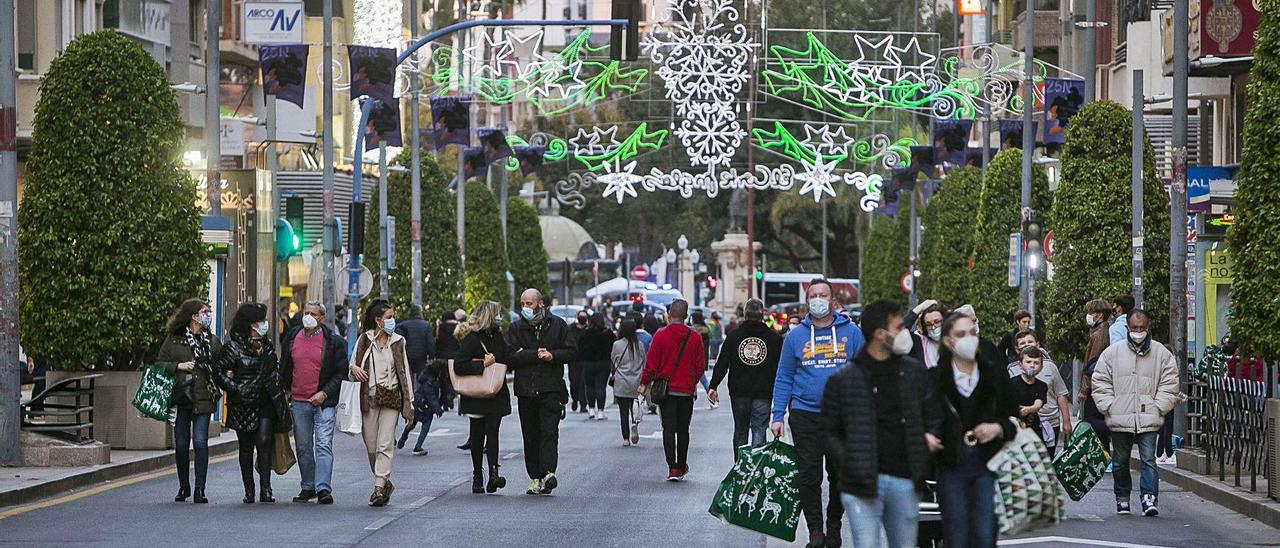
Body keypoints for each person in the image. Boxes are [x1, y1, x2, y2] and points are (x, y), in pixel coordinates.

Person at [822, 300, 942, 548]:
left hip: (905, 478)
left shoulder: (913, 373)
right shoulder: (845, 379)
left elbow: (933, 413)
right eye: (898, 328)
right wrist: (848, 462)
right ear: (879, 335)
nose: (904, 333)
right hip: (861, 483)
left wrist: (928, 437)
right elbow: (830, 430)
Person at [771, 278, 864, 548]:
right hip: (805, 415)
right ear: (807, 300)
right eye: (814, 295)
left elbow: (864, 371)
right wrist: (777, 415)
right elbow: (784, 376)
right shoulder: (795, 336)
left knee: (839, 474)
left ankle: (834, 525)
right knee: (809, 475)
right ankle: (814, 529)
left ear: (833, 301)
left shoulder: (852, 333)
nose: (819, 299)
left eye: (824, 294)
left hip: (842, 416)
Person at [933, 310, 1016, 548]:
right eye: (960, 334)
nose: (968, 338)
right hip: (951, 463)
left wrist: (997, 428)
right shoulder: (935, 378)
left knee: (985, 534)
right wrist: (929, 437)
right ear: (948, 340)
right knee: (956, 535)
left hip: (988, 463)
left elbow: (1013, 418)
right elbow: (925, 419)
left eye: (972, 332)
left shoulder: (993, 373)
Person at [1091, 309, 1179, 517]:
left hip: (1149, 415)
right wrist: (1109, 406)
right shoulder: (1112, 353)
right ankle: (1122, 498)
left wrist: (1159, 406)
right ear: (1127, 328)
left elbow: (1170, 383)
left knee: (1148, 459)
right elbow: (1100, 381)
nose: (1138, 331)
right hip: (1119, 416)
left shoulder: (1161, 354)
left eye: (1141, 328)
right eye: (1134, 328)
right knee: (1120, 460)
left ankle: (1149, 498)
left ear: (1148, 328)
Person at [214, 302, 287, 504]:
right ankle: (249, 489)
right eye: (260, 321)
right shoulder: (233, 347)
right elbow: (218, 371)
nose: (264, 324)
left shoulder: (267, 344)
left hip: (265, 401)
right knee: (245, 447)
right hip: (242, 404)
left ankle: (266, 488)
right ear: (250, 323)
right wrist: (235, 387)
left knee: (264, 442)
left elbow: (274, 368)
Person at [506, 288, 577, 496]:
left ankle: (547, 473)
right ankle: (535, 477)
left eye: (529, 303)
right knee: (530, 435)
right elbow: (509, 356)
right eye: (522, 304)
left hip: (550, 388)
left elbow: (573, 352)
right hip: (526, 390)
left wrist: (552, 355)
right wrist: (535, 355)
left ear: (540, 304)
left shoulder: (558, 326)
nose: (526, 308)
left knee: (549, 432)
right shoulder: (516, 328)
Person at [279, 301, 348, 505]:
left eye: (313, 313)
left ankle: (323, 488)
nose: (307, 316)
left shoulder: (334, 342)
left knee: (323, 444)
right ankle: (308, 486)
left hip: (323, 402)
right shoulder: (292, 337)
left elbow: (340, 373)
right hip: (299, 401)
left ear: (321, 318)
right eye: (305, 312)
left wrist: (324, 393)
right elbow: (285, 366)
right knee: (303, 446)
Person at [348, 300, 415, 507]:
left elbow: (405, 373)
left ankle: (378, 488)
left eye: (393, 317)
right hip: (369, 398)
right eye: (389, 317)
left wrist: (409, 404)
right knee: (371, 446)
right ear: (378, 321)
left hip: (391, 398)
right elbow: (352, 366)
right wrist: (354, 370)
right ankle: (385, 482)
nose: (392, 321)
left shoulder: (398, 341)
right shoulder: (364, 340)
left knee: (385, 444)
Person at [157, 298, 223, 504]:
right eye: (205, 311)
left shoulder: (212, 341)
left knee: (201, 442)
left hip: (204, 397)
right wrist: (178, 366)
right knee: (182, 444)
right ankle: (183, 486)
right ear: (194, 316)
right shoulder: (174, 340)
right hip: (182, 397)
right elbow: (159, 363)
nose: (208, 315)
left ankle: (200, 488)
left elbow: (222, 365)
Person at [638, 299, 705, 481]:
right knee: (683, 429)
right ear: (686, 316)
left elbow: (651, 364)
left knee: (668, 428)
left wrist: (644, 383)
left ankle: (672, 468)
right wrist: (692, 382)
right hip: (686, 391)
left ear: (669, 315)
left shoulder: (660, 336)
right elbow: (700, 366)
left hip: (666, 391)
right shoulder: (695, 337)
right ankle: (682, 464)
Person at [708, 298, 780, 456]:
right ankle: (754, 471)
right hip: (764, 392)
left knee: (740, 431)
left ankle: (740, 469)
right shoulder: (774, 339)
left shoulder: (734, 337)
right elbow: (781, 368)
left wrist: (713, 386)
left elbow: (722, 363)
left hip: (739, 391)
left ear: (745, 314)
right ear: (763, 315)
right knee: (760, 429)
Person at [453, 301, 512, 494]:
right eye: (497, 314)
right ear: (489, 316)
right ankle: (478, 475)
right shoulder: (472, 338)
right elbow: (459, 366)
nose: (500, 317)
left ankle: (494, 474)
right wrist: (483, 365)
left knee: (493, 433)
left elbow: (505, 359)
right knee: (477, 435)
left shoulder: (499, 336)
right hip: (476, 394)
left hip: (495, 393)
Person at [1006, 329, 1072, 455]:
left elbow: (1061, 394)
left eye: (1030, 341)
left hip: (1050, 422)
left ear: (1037, 344)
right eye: (1022, 343)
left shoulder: (1050, 367)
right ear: (1017, 348)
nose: (1027, 345)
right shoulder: (1011, 371)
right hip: (1022, 426)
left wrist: (1066, 421)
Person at [396, 305, 438, 454]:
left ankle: (409, 399)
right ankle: (418, 398)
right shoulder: (426, 325)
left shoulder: (403, 325)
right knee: (420, 380)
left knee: (408, 379)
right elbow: (430, 343)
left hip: (406, 356)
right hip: (421, 357)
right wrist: (431, 357)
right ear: (420, 313)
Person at [1079, 299, 1114, 455]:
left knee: (1090, 420)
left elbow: (1092, 364)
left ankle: (1119, 429)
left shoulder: (1099, 334)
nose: (1088, 316)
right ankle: (1104, 454)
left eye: (1090, 313)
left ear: (1099, 315)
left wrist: (1084, 389)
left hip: (1096, 385)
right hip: (1101, 384)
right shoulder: (1101, 331)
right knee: (1097, 419)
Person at [611, 319, 647, 446]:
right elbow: (644, 362)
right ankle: (634, 423)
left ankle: (626, 438)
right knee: (635, 407)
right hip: (636, 381)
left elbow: (614, 360)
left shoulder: (617, 345)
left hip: (621, 381)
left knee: (623, 411)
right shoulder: (640, 345)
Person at [578, 311, 616, 420]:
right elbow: (613, 349)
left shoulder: (585, 334)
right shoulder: (608, 333)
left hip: (588, 363)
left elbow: (579, 348)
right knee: (601, 387)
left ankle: (590, 409)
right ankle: (600, 411)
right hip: (603, 363)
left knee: (589, 386)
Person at [1008, 347, 1048, 433]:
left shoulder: (1042, 385)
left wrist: (1028, 410)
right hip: (1013, 427)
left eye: (1036, 363)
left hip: (1033, 427)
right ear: (1020, 364)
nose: (1032, 365)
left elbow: (1038, 405)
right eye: (1028, 362)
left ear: (1041, 367)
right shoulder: (1011, 383)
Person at [903, 299, 947, 369]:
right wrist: (918, 309)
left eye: (937, 322)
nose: (933, 327)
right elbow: (899, 332)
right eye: (928, 324)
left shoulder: (956, 340)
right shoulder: (919, 342)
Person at [691, 311, 716, 408]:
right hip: (703, 356)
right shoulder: (706, 330)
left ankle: (709, 396)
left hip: (693, 357)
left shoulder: (692, 331)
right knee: (702, 378)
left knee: (699, 379)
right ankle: (711, 396)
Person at [568, 311, 590, 413]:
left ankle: (583, 403)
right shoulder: (571, 328)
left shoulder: (588, 329)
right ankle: (575, 399)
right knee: (574, 382)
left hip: (585, 359)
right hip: (573, 359)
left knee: (583, 382)